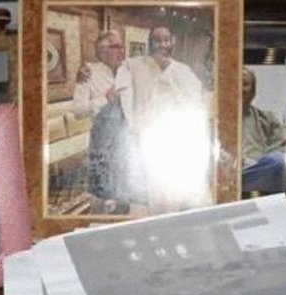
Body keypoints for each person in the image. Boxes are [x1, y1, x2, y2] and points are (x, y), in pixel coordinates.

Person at [115, 25, 208, 213]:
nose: (162, 44)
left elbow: (194, 104)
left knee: (171, 193)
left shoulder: (183, 71)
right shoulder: (134, 65)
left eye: (166, 39)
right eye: (157, 40)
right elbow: (120, 88)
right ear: (150, 43)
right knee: (144, 194)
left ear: (172, 43)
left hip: (173, 141)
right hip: (144, 138)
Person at [72, 30, 130, 213]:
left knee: (124, 200)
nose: (123, 50)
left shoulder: (128, 71)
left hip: (126, 145)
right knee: (102, 201)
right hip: (102, 146)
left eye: (122, 46)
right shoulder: (88, 73)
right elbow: (78, 110)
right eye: (117, 46)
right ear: (103, 50)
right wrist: (105, 99)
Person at [240, 68, 286, 194]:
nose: (239, 88)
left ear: (253, 92)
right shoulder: (209, 117)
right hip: (221, 171)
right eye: (235, 82)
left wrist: (253, 162)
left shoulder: (267, 119)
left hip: (254, 171)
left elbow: (283, 148)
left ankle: (238, 183)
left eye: (244, 84)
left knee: (281, 161)